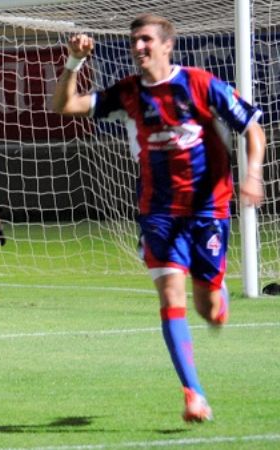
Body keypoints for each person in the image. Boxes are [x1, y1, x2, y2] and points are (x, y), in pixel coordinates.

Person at [51, 14, 265, 422]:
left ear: (168, 46)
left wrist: (252, 175)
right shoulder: (128, 92)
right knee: (171, 296)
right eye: (134, 41)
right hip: (158, 213)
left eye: (146, 40)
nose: (138, 47)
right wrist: (73, 64)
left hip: (209, 210)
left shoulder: (200, 84)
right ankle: (194, 394)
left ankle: (216, 306)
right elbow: (64, 105)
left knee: (207, 306)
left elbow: (253, 129)